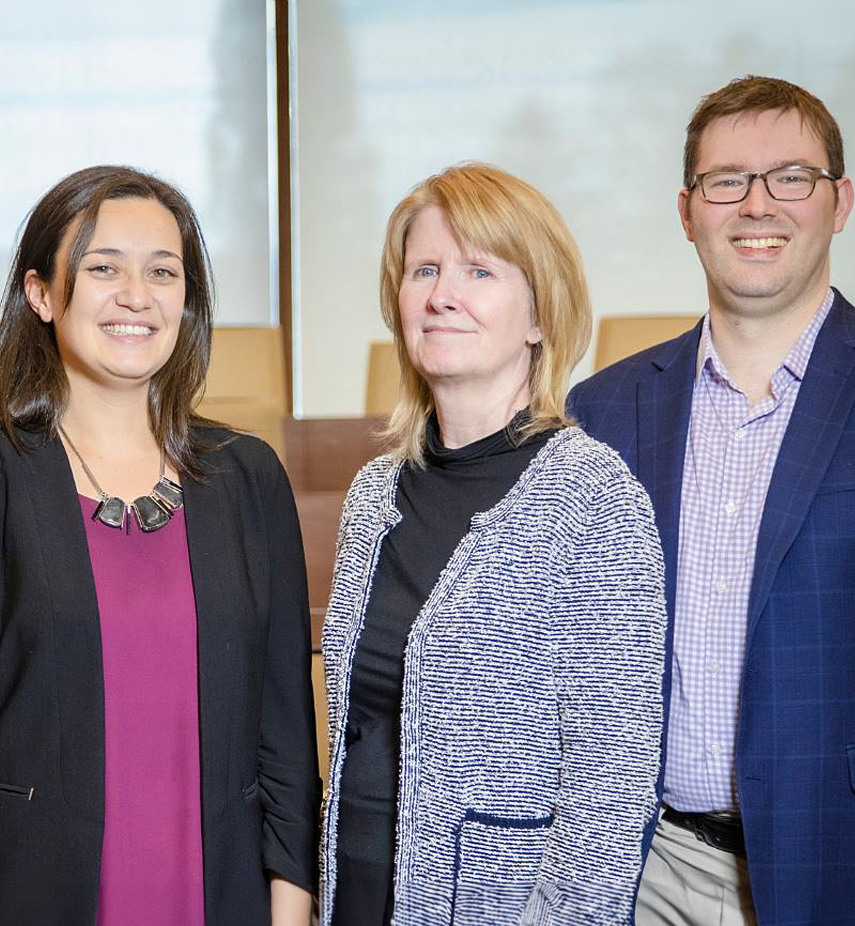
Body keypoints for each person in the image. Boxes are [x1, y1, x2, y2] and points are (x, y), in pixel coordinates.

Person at [569, 75, 855, 925]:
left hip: (846, 868)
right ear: (687, 210)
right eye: (726, 181)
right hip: (646, 871)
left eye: (791, 177)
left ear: (839, 200)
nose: (758, 204)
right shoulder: (603, 411)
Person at [0, 165, 320, 926]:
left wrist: (290, 911)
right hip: (31, 900)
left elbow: (286, 739)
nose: (136, 296)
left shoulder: (248, 479)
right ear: (42, 295)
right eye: (103, 269)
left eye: (162, 271)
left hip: (224, 900)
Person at [319, 162, 666, 925]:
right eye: (425, 270)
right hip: (353, 897)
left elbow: (613, 789)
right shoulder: (374, 490)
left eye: (479, 271)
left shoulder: (593, 499)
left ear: (540, 315)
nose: (443, 294)